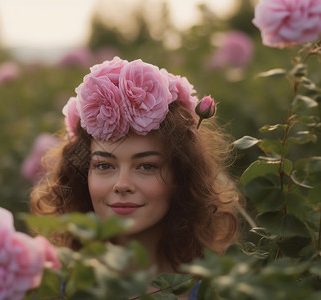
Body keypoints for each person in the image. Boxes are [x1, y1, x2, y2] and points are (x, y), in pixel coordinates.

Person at [30, 57, 240, 299]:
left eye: (146, 166)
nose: (122, 185)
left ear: (180, 176)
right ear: (82, 175)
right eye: (104, 165)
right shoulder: (53, 288)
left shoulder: (215, 291)